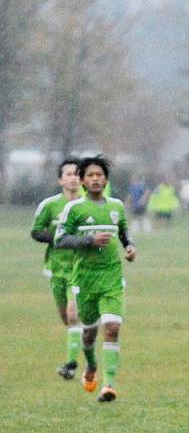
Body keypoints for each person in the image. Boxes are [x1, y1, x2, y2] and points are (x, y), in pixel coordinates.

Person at [53, 155, 137, 402]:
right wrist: (89, 240)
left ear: (106, 179)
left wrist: (130, 247)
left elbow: (124, 233)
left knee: (112, 329)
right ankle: (90, 366)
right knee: (88, 335)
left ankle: (109, 385)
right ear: (82, 181)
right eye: (90, 175)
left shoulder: (116, 207)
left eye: (99, 175)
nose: (95, 179)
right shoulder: (74, 209)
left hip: (111, 279)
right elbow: (60, 240)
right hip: (85, 281)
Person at [30, 158, 84, 379]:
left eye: (76, 174)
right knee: (65, 316)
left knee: (73, 314)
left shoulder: (88, 205)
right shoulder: (49, 206)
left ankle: (70, 365)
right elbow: (36, 232)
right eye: (68, 174)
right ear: (60, 179)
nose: (73, 177)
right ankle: (82, 337)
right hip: (56, 269)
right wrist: (59, 237)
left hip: (81, 269)